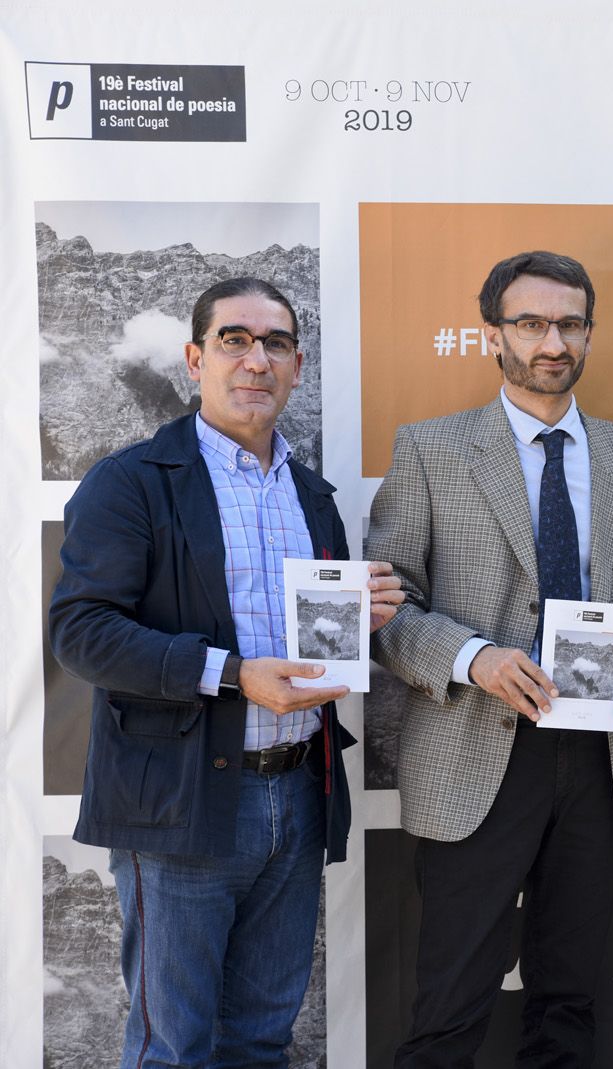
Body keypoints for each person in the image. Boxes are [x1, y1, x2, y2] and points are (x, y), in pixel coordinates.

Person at [49, 276, 403, 1067]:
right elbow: (81, 632)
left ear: (298, 366)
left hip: (298, 795)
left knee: (261, 1041)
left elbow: (318, 641)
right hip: (181, 802)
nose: (255, 359)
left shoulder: (313, 497)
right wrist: (235, 674)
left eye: (275, 343)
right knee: (173, 1048)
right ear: (194, 359)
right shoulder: (132, 480)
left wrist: (362, 618)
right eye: (234, 340)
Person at [365, 250, 613, 1067]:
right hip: (476, 750)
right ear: (492, 334)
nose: (552, 342)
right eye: (531, 323)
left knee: (568, 1004)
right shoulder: (430, 449)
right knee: (448, 1007)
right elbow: (386, 607)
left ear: (590, 334)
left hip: (600, 759)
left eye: (570, 324)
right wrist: (473, 659)